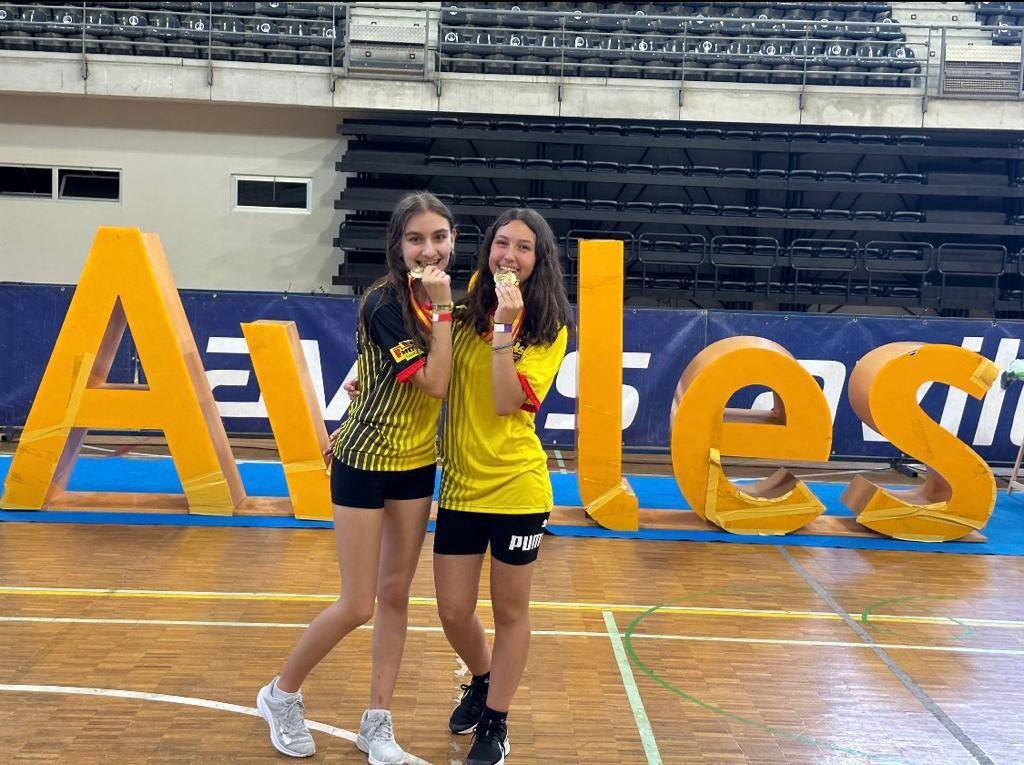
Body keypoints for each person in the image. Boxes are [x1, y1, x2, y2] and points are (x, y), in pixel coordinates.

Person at [257, 191, 456, 763]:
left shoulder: (447, 302)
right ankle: (280, 694)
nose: (428, 249)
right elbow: (437, 384)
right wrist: (443, 311)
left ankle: (377, 721)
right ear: (397, 245)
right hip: (364, 463)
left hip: (417, 466)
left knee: (396, 597)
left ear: (453, 240)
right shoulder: (383, 303)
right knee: (358, 603)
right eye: (416, 239)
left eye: (438, 237)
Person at [434, 208, 572, 765]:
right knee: (451, 608)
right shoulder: (465, 305)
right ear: (487, 249)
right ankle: (484, 678)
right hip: (461, 486)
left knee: (510, 611)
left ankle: (497, 721)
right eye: (500, 244)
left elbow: (504, 400)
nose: (508, 256)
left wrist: (502, 332)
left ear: (540, 261)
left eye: (522, 248)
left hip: (517, 487)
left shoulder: (547, 326)